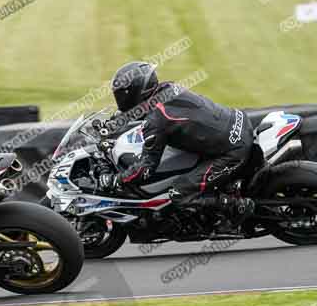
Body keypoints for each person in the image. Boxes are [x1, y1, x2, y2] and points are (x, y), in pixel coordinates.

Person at [98, 61, 255, 233]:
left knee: (179, 193)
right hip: (238, 120)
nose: (120, 99)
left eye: (121, 95)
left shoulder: (156, 121)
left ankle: (237, 206)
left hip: (232, 151)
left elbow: (145, 169)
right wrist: (114, 123)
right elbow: (141, 112)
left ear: (135, 91)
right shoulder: (168, 88)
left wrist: (116, 180)